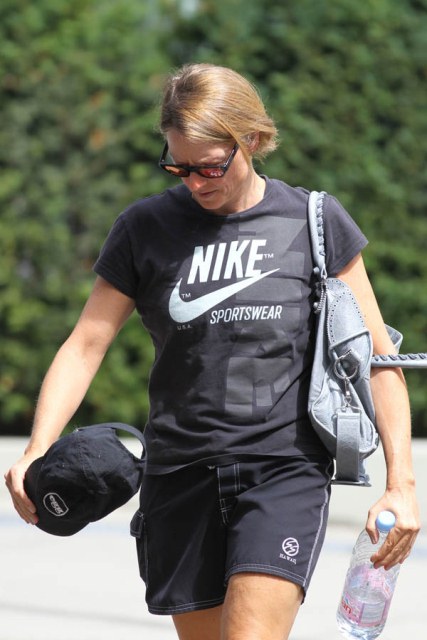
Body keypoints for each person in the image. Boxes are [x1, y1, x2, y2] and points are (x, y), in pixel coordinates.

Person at [4, 63, 420, 640]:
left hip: (283, 469)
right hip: (179, 474)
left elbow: (376, 357)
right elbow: (85, 345)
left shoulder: (314, 221)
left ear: (252, 138)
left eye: (210, 166)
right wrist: (37, 448)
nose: (195, 182)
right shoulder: (144, 228)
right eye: (179, 167)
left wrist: (401, 484)